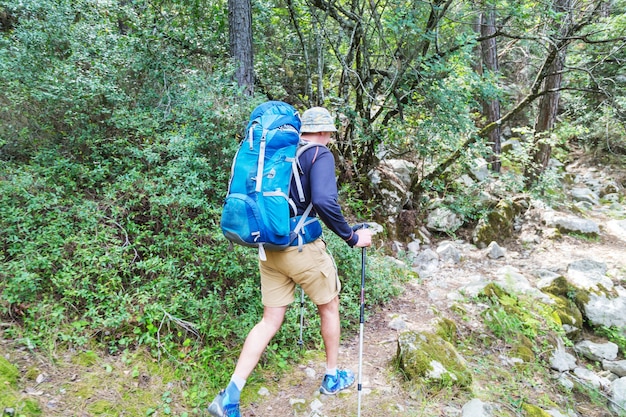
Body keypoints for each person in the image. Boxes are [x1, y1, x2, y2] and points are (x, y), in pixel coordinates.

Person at [208, 106, 373, 417]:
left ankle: (230, 394)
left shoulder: (279, 152)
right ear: (325, 131)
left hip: (269, 250)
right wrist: (352, 237)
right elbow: (324, 201)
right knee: (330, 306)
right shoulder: (318, 154)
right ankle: (332, 376)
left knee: (269, 321)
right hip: (303, 251)